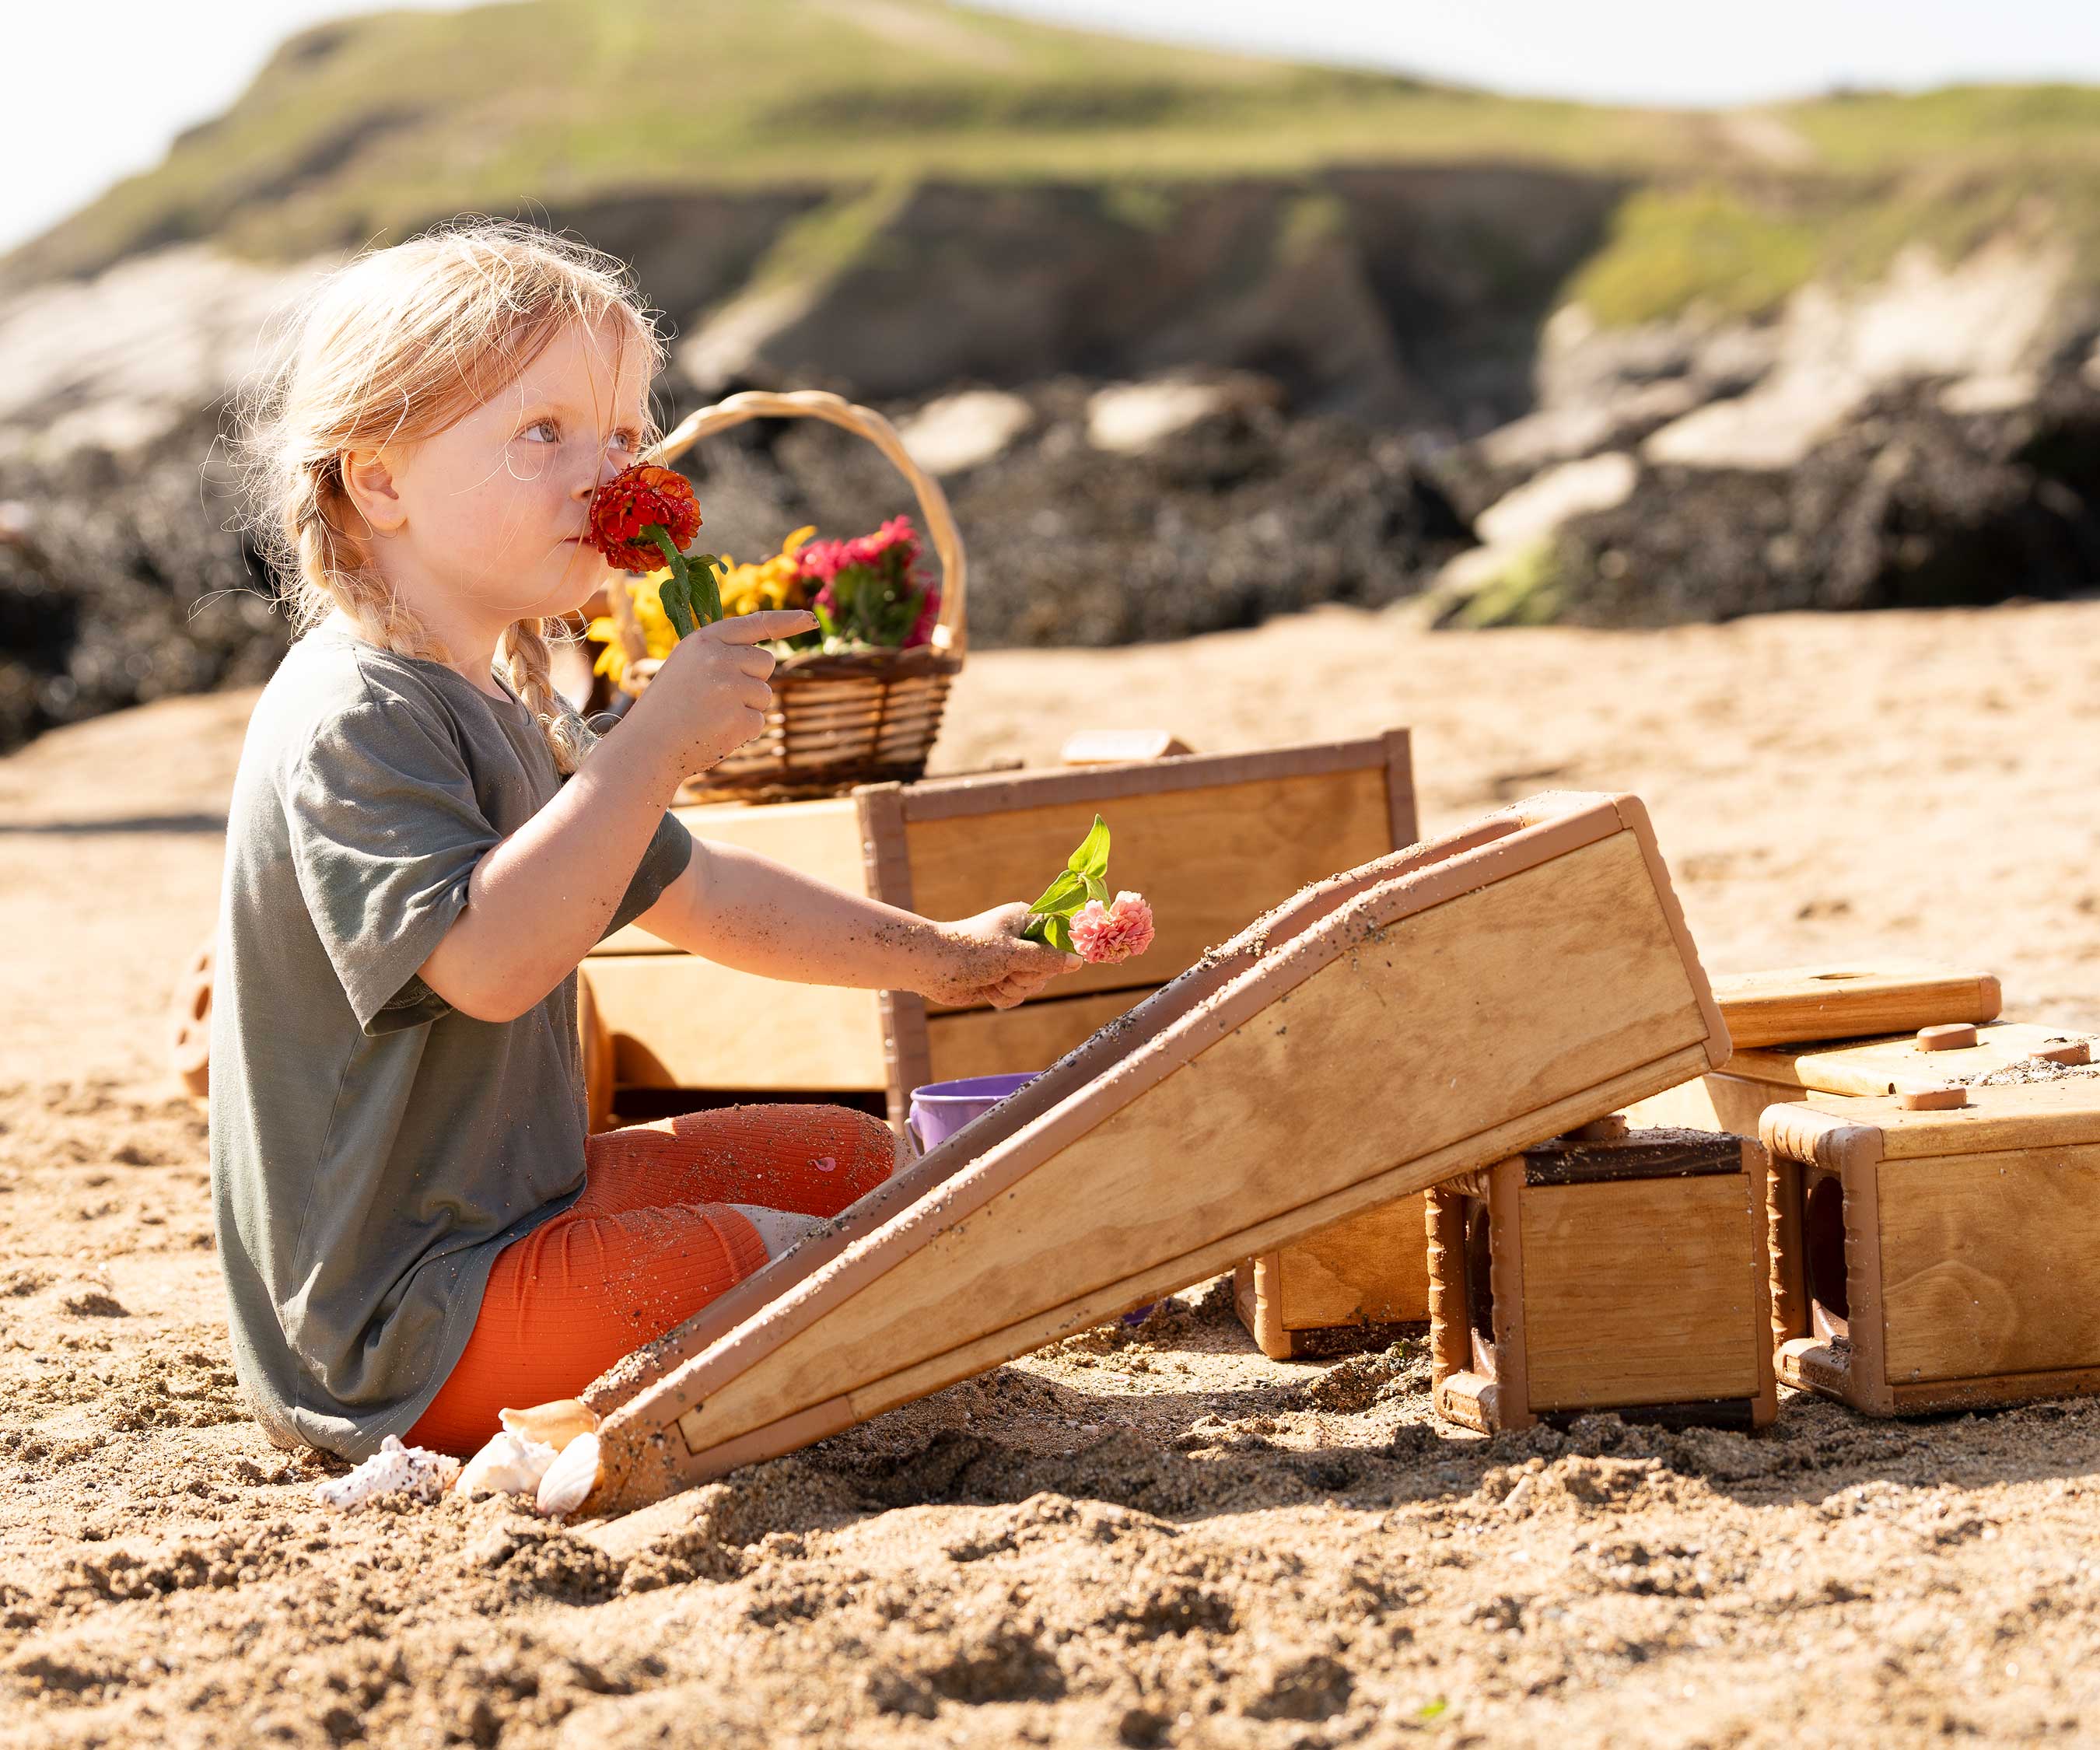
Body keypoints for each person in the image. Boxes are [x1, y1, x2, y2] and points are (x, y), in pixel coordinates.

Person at [215, 220, 1076, 1461]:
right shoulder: (355, 710)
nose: (605, 473)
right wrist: (644, 752)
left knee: (856, 1168)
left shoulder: (500, 689)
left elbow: (704, 890)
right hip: (397, 1332)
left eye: (623, 435)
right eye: (543, 434)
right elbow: (490, 962)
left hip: (515, 1216)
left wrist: (935, 955)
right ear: (380, 480)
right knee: (831, 1269)